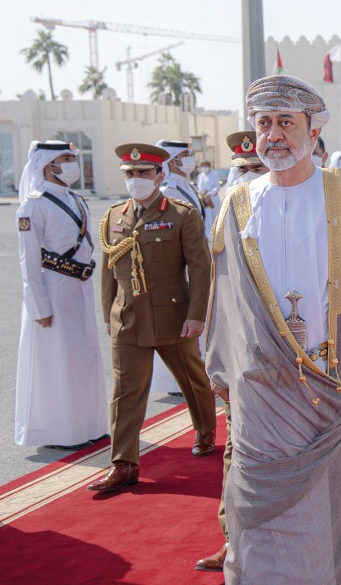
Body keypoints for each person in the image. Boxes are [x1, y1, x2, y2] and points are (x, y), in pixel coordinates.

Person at [206, 75, 341, 582]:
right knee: (257, 503)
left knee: (330, 502)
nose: (274, 135)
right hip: (262, 390)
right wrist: (221, 366)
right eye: (264, 124)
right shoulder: (238, 203)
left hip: (339, 382)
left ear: (314, 130)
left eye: (287, 122)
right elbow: (222, 295)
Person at [86, 143, 218, 494]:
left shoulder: (181, 213)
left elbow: (200, 269)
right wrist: (108, 314)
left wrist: (197, 316)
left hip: (173, 316)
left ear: (160, 175)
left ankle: (205, 430)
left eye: (144, 172)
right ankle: (123, 464)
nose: (136, 179)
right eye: (130, 174)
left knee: (193, 379)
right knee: (125, 392)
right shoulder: (114, 216)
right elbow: (108, 271)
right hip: (127, 317)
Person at [195, 130, 268, 573]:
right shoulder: (224, 222)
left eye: (255, 169)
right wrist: (216, 360)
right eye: (239, 171)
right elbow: (216, 297)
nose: (246, 179)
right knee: (236, 452)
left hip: (301, 358)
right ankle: (233, 539)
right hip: (242, 360)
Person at [13, 140, 107, 450]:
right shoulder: (33, 205)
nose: (71, 164)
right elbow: (28, 261)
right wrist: (39, 306)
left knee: (85, 358)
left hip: (78, 287)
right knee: (58, 363)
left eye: (72, 158)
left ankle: (89, 425)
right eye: (65, 158)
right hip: (52, 290)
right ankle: (61, 432)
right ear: (47, 164)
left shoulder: (77, 199)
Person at [153, 139, 206, 396]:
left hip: (196, 258)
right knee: (180, 320)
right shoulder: (168, 189)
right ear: (172, 160)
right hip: (181, 261)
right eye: (185, 154)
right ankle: (176, 381)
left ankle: (193, 373)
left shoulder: (185, 186)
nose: (190, 158)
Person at [196, 159, 221, 236]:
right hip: (204, 198)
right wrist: (202, 193)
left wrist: (210, 193)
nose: (204, 168)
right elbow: (199, 186)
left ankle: (217, 232)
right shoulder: (200, 176)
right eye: (202, 166)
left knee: (215, 214)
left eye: (205, 166)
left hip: (213, 197)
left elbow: (217, 186)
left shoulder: (214, 174)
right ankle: (207, 233)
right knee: (207, 215)